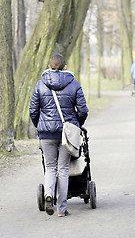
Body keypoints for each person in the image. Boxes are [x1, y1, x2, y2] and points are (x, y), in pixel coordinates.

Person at [29, 54, 88, 217]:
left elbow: (33, 110)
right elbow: (83, 110)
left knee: (50, 167)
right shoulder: (74, 84)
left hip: (46, 133)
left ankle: (49, 194)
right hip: (66, 133)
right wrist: (76, 125)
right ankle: (61, 210)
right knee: (63, 169)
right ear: (65, 67)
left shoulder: (40, 85)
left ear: (49, 66)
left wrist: (40, 126)